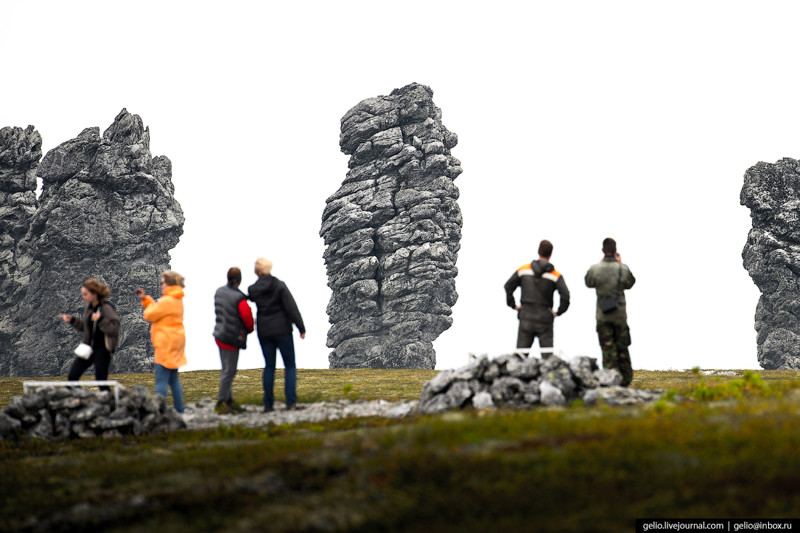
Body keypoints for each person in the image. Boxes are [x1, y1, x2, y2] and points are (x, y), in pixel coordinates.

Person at [248, 258, 305, 412]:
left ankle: (268, 404)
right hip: (283, 331)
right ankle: (291, 402)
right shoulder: (279, 286)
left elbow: (250, 297)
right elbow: (291, 307)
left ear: (256, 271)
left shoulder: (253, 289)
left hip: (264, 332)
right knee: (290, 365)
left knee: (269, 366)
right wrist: (301, 328)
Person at [504, 239, 570, 357]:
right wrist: (558, 312)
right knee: (547, 359)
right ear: (550, 254)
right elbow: (566, 295)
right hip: (545, 318)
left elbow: (508, 286)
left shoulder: (523, 270)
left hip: (526, 316)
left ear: (538, 251)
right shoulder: (555, 275)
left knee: (520, 357)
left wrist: (513, 305)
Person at [585, 238, 636, 386]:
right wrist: (620, 264)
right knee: (622, 348)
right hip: (620, 315)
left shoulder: (595, 269)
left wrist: (600, 265)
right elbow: (630, 283)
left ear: (602, 251)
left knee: (607, 349)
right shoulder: (622, 269)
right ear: (615, 251)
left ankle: (610, 380)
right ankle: (626, 380)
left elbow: (588, 282)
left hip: (603, 314)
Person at [136, 270, 187, 413]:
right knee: (173, 378)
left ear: (168, 283)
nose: (161, 286)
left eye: (162, 283)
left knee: (162, 379)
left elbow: (150, 315)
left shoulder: (166, 301)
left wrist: (147, 304)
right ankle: (179, 409)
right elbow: (158, 309)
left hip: (165, 343)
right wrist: (146, 300)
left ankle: (159, 411)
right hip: (176, 341)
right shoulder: (176, 299)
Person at [58, 279, 120, 390]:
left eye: (85, 294)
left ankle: (110, 404)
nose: (83, 297)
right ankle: (84, 399)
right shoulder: (89, 308)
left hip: (103, 349)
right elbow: (85, 328)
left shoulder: (106, 308)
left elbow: (114, 329)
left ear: (94, 294)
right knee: (72, 377)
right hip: (89, 347)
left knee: (101, 380)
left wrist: (100, 319)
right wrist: (72, 320)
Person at [213, 267, 254, 413]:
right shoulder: (239, 298)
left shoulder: (219, 292)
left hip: (219, 335)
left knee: (226, 369)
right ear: (239, 280)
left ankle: (229, 400)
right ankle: (221, 401)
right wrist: (249, 329)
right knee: (230, 371)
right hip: (231, 339)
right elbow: (247, 318)